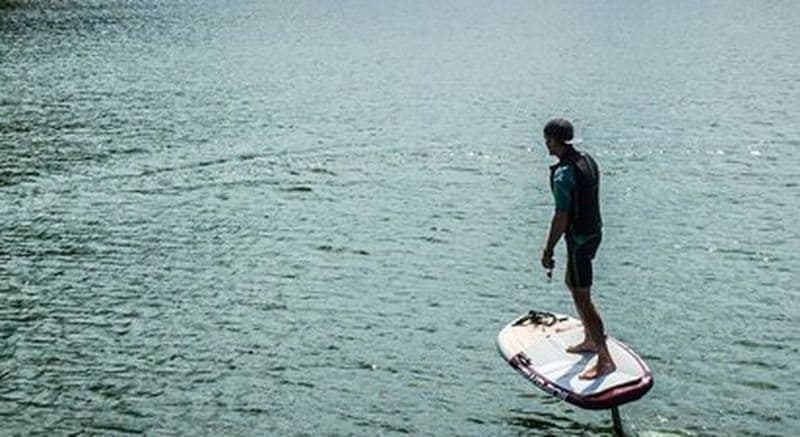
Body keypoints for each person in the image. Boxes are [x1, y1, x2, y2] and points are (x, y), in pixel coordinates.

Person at [540, 118, 616, 380]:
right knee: (573, 284)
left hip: (579, 240)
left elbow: (561, 217)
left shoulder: (563, 174)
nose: (546, 144)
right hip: (594, 232)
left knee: (582, 295)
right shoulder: (588, 160)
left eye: (547, 139)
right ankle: (590, 339)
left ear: (553, 140)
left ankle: (604, 358)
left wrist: (548, 250)